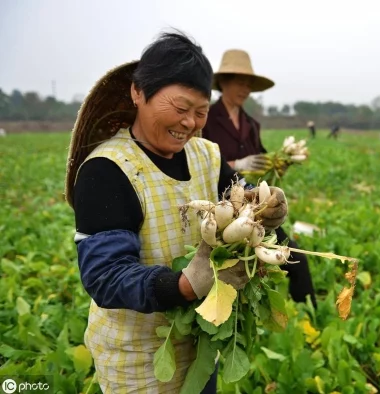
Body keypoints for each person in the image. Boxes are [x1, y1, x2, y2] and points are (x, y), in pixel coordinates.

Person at [63, 32, 288, 393]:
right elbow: (106, 276)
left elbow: (244, 200)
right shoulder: (107, 170)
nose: (189, 123)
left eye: (200, 113)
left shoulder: (207, 156)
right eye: (180, 109)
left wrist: (266, 207)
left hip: (201, 347)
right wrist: (184, 285)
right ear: (138, 92)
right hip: (137, 363)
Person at [202, 49, 317, 309]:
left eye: (249, 84)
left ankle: (310, 312)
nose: (245, 89)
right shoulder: (206, 118)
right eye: (239, 82)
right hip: (221, 208)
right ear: (224, 83)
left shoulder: (251, 124)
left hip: (254, 205)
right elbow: (202, 162)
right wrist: (235, 165)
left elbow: (262, 160)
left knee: (293, 254)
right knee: (230, 270)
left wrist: (278, 165)